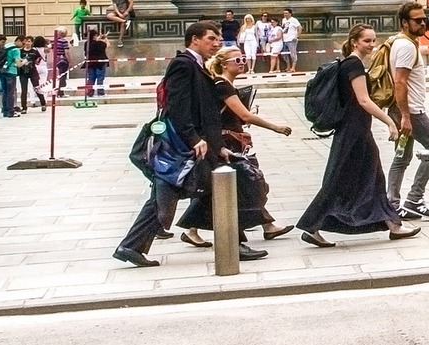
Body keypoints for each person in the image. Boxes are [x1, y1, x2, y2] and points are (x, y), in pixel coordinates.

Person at [113, 20, 239, 268]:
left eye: (217, 39)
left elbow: (203, 110)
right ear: (195, 40)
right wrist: (194, 139)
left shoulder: (196, 65)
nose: (217, 43)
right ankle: (234, 244)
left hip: (197, 144)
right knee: (173, 195)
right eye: (211, 39)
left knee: (170, 196)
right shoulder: (183, 64)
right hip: (183, 147)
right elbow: (179, 107)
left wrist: (217, 144)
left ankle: (131, 246)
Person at [297, 25, 421, 247]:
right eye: (367, 41)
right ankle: (311, 224)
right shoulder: (354, 64)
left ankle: (393, 224)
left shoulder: (349, 63)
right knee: (342, 180)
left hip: (353, 130)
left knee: (369, 178)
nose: (372, 45)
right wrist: (390, 122)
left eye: (374, 40)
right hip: (355, 132)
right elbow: (364, 100)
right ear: (354, 41)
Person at [177, 47, 293, 250]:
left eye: (243, 59)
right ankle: (263, 227)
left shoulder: (225, 84)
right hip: (226, 143)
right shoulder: (223, 85)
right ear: (224, 63)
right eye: (237, 59)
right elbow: (246, 116)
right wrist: (276, 127)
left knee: (226, 188)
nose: (242, 62)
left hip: (226, 141)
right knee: (249, 183)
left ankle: (192, 229)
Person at [386, 2, 429, 221]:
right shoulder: (407, 47)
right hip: (412, 111)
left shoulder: (399, 42)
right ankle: (413, 199)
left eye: (424, 19)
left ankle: (393, 203)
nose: (423, 23)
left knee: (402, 156)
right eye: (417, 20)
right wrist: (406, 116)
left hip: (401, 109)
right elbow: (400, 82)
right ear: (404, 23)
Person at [82, 28, 110, 97]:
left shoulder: (86, 43)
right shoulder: (99, 43)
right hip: (100, 62)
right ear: (94, 36)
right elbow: (108, 45)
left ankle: (90, 92)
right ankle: (100, 93)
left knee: (91, 77)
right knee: (100, 77)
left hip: (90, 62)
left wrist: (98, 38)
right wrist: (105, 37)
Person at [280, 8, 301, 73]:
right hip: (284, 39)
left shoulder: (294, 20)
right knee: (284, 54)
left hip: (291, 39)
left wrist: (297, 36)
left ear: (290, 13)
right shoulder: (283, 20)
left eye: (286, 13)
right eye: (284, 13)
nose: (285, 14)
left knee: (293, 54)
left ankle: (293, 67)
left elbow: (299, 27)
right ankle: (288, 66)